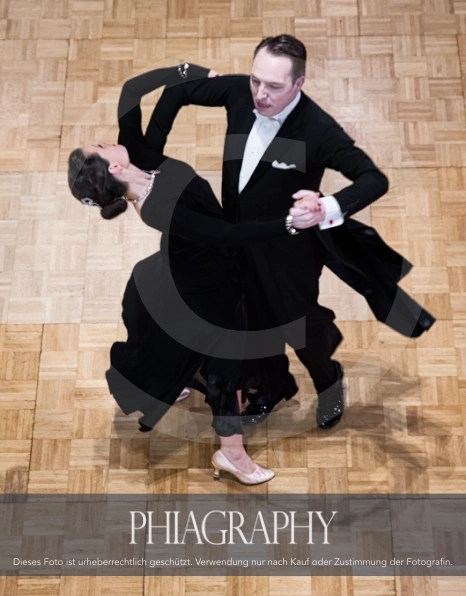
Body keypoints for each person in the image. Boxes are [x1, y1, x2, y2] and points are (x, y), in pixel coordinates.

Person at [148, 35, 436, 430]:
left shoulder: (317, 129)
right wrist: (149, 153)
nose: (260, 94)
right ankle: (271, 387)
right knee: (251, 322)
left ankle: (328, 381)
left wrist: (324, 208)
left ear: (298, 83)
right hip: (237, 242)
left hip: (288, 253)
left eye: (274, 86)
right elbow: (178, 90)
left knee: (300, 326)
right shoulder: (240, 93)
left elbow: (373, 179)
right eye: (255, 80)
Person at [68, 63, 308, 486]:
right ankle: (231, 454)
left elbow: (133, 91)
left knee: (190, 350)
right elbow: (225, 233)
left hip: (192, 264)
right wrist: (288, 224)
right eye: (101, 147)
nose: (107, 141)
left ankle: (173, 383)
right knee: (229, 367)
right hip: (208, 287)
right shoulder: (160, 209)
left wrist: (192, 72)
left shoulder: (139, 155)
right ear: (114, 170)